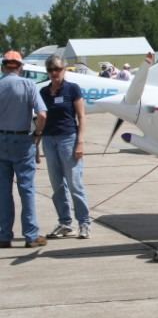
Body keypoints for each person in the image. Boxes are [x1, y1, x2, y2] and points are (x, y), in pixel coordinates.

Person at [39, 54, 91, 239]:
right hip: (48, 140)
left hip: (68, 139)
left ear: (64, 70)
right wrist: (36, 144)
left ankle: (84, 222)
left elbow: (81, 116)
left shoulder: (72, 89)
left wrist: (80, 142)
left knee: (75, 183)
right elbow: (40, 118)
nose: (54, 73)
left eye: (57, 69)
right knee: (57, 185)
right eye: (50, 70)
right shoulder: (44, 92)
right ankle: (65, 223)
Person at [0, 51, 48, 249]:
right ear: (20, 67)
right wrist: (37, 133)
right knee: (26, 189)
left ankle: (4, 235)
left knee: (3, 192)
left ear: (3, 67)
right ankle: (30, 235)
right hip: (22, 140)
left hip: (1, 140)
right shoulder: (28, 85)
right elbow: (42, 115)